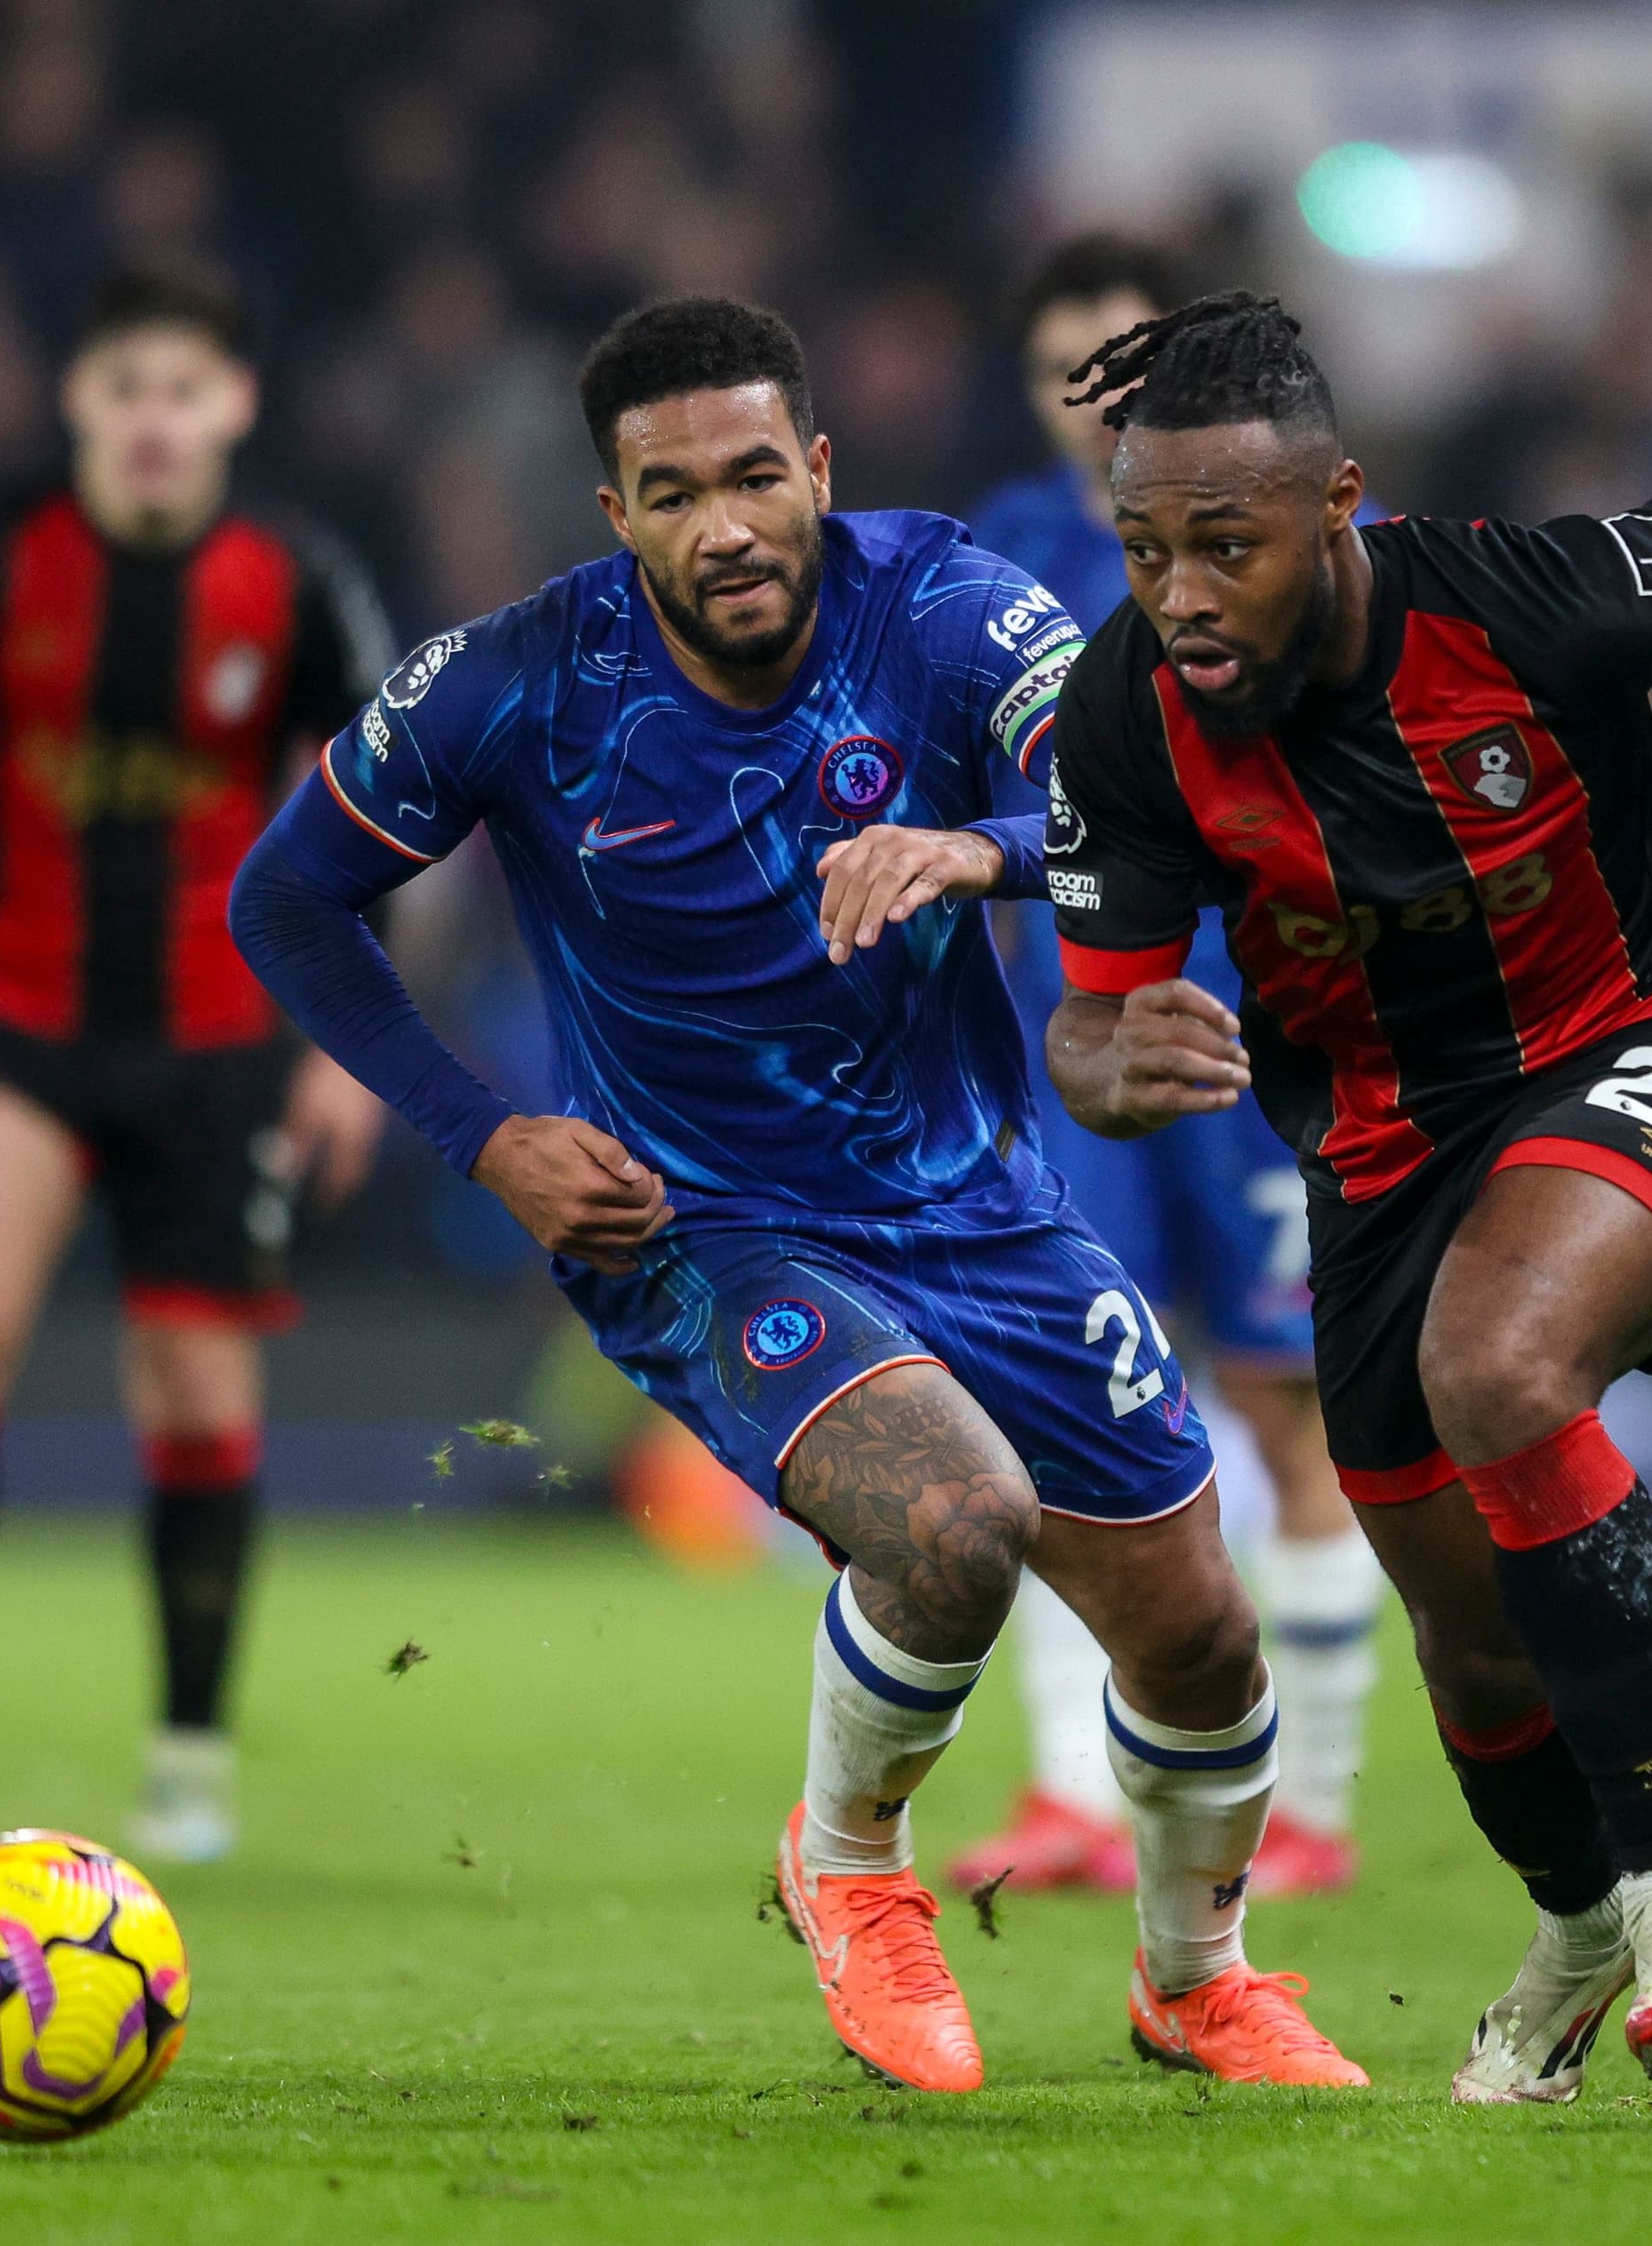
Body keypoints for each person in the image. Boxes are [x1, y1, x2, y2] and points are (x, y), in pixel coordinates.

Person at [230, 297, 1362, 2090]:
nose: (727, 524)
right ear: (615, 513)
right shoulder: (516, 681)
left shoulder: (942, 603)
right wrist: (486, 1129)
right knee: (955, 1520)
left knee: (1203, 1633)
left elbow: (1120, 778)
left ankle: (1195, 1976)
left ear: (817, 469)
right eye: (672, 493)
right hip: (699, 1231)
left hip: (980, 1209)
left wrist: (971, 845)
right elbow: (284, 902)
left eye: (757, 474)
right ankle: (848, 1866)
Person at [1039, 295, 1652, 2099]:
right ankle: (1575, 1918)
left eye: (1226, 548)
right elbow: (1090, 1031)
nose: (1180, 595)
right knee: (1464, 1629)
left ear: (1342, 505)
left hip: (1650, 1031)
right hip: (1388, 1157)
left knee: (1499, 1365)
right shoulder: (1124, 716)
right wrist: (1117, 1056)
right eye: (1146, 548)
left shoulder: (1531, 594)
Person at [0, 259, 395, 1864]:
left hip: (217, 1040)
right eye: (124, 385)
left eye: (183, 389)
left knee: (201, 1402)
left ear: (234, 406)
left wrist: (353, 1041)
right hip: (16, 1023)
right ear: (79, 397)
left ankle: (190, 1758)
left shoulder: (295, 580)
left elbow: (383, 818)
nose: (152, 419)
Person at [955, 234, 1381, 1901]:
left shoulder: (1287, 535)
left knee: (1288, 1405)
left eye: (1126, 360)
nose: (1098, 401)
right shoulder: (999, 556)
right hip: (1079, 1036)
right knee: (1060, 1403)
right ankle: (1073, 1789)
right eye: (1071, 369)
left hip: (1270, 1013)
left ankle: (1322, 1814)